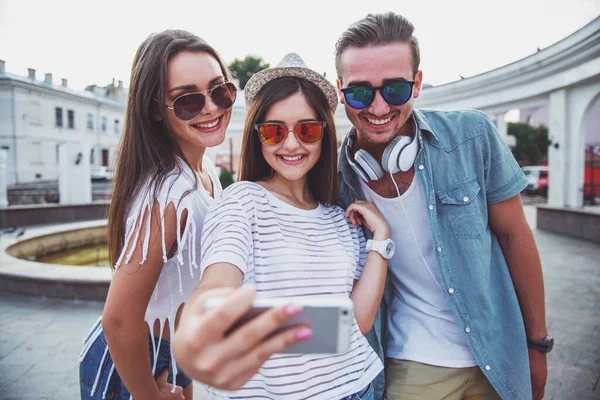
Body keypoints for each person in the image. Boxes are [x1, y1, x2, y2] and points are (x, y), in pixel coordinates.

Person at [79, 30, 308, 400]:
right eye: (187, 100)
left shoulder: (204, 175)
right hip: (135, 364)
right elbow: (118, 319)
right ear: (155, 109)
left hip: (167, 355)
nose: (211, 108)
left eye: (220, 91)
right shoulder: (169, 194)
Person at [335, 12, 550, 400]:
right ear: (340, 91)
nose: (379, 107)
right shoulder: (337, 179)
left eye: (395, 89)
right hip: (411, 359)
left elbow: (515, 236)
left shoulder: (472, 136)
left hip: (499, 349)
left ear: (417, 84)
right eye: (361, 92)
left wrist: (537, 345)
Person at [177, 53, 391, 400]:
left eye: (306, 129)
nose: (291, 144)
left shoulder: (341, 219)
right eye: (274, 131)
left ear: (324, 134)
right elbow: (215, 287)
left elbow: (357, 324)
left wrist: (381, 239)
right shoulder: (241, 203)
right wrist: (197, 330)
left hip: (355, 388)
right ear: (257, 136)